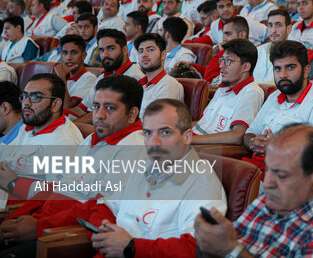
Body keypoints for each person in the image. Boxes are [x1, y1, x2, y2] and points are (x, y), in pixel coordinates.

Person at [19, 99, 226, 258]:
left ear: (187, 136)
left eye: (164, 132)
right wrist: (105, 230)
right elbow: (105, 205)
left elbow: (199, 248)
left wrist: (131, 246)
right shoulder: (146, 167)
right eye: (147, 133)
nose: (153, 142)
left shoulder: (202, 183)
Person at [195, 124, 313, 257]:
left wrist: (230, 249)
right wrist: (208, 242)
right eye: (267, 170)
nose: (267, 183)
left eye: (281, 175)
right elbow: (227, 246)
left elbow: (230, 248)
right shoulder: (267, 202)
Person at [242, 41, 313, 167]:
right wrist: (252, 142)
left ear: (306, 71)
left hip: (287, 175)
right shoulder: (274, 96)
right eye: (278, 69)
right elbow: (250, 133)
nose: (283, 75)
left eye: (290, 67)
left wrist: (276, 148)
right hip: (255, 168)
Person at [192, 39, 264, 144]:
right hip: (195, 140)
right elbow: (203, 123)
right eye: (222, 60)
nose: (221, 66)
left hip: (206, 150)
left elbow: (237, 135)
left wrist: (189, 140)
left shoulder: (251, 92)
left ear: (246, 67)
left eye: (228, 61)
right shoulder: (223, 89)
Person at [77, 29, 145, 121]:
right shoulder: (103, 77)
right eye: (101, 50)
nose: (105, 54)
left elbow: (114, 119)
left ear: (124, 50)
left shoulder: (135, 79)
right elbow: (81, 109)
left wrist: (72, 127)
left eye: (111, 48)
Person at [135, 33, 184, 118]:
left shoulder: (169, 85)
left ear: (163, 55)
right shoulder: (139, 84)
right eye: (141, 51)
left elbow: (159, 122)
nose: (144, 54)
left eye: (150, 50)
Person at [53, 34, 98, 110]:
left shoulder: (89, 78)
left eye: (74, 52)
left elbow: (67, 106)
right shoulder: (63, 75)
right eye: (65, 53)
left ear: (83, 56)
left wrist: (62, 78)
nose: (68, 57)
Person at [254, 9, 292, 84]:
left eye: (278, 25)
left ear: (289, 29)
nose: (273, 30)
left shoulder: (295, 54)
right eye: (270, 25)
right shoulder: (257, 51)